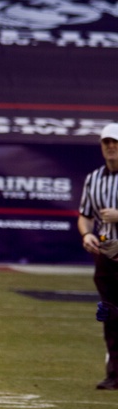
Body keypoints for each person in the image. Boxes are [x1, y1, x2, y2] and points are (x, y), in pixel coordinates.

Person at [78, 122, 118, 391]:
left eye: (115, 142)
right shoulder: (94, 178)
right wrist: (86, 235)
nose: (111, 147)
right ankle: (114, 374)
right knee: (110, 315)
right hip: (107, 255)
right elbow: (84, 215)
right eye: (107, 142)